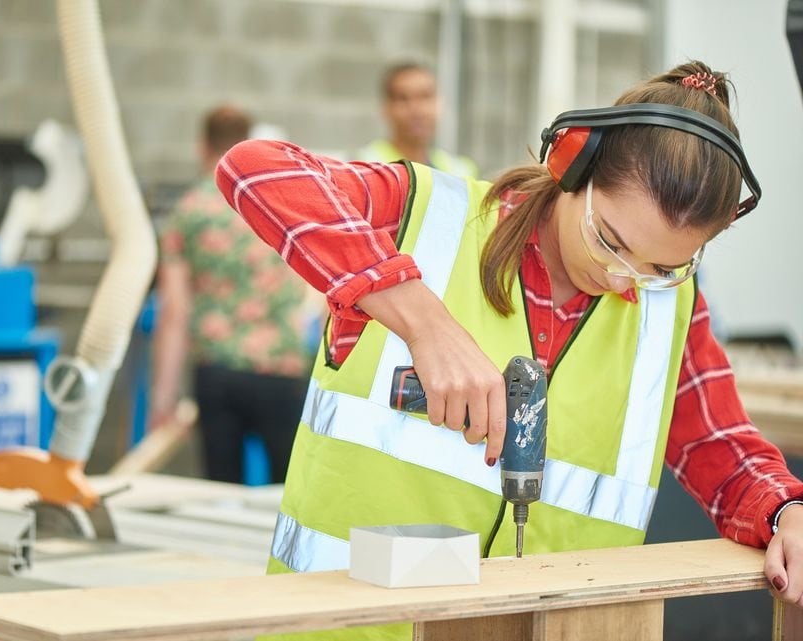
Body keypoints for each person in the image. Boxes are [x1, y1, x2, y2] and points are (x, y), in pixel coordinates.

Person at [215, 61, 803, 639]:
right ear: (572, 165)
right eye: (610, 241)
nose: (624, 279)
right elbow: (254, 169)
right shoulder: (424, 217)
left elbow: (717, 445)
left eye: (662, 267)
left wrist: (785, 512)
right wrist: (425, 324)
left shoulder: (668, 307)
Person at [152, 104, 312, 484]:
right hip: (281, 367)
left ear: (201, 146)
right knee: (287, 494)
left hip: (218, 369)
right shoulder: (280, 202)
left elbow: (174, 311)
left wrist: (164, 397)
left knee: (221, 494)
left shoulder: (189, 210)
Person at [356, 61, 478, 178]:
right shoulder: (364, 170)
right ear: (386, 108)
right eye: (403, 98)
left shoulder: (460, 172)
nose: (416, 110)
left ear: (439, 103)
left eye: (425, 96)